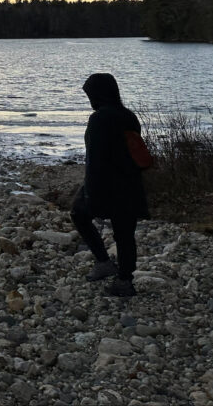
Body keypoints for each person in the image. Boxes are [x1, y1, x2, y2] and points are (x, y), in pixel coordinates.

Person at [70, 73, 149, 297]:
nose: (89, 99)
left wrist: (92, 194)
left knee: (78, 213)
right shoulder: (128, 116)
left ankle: (104, 262)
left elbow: (94, 160)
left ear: (97, 94)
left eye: (90, 94)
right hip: (130, 183)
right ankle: (125, 280)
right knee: (125, 234)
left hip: (106, 184)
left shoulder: (99, 119)